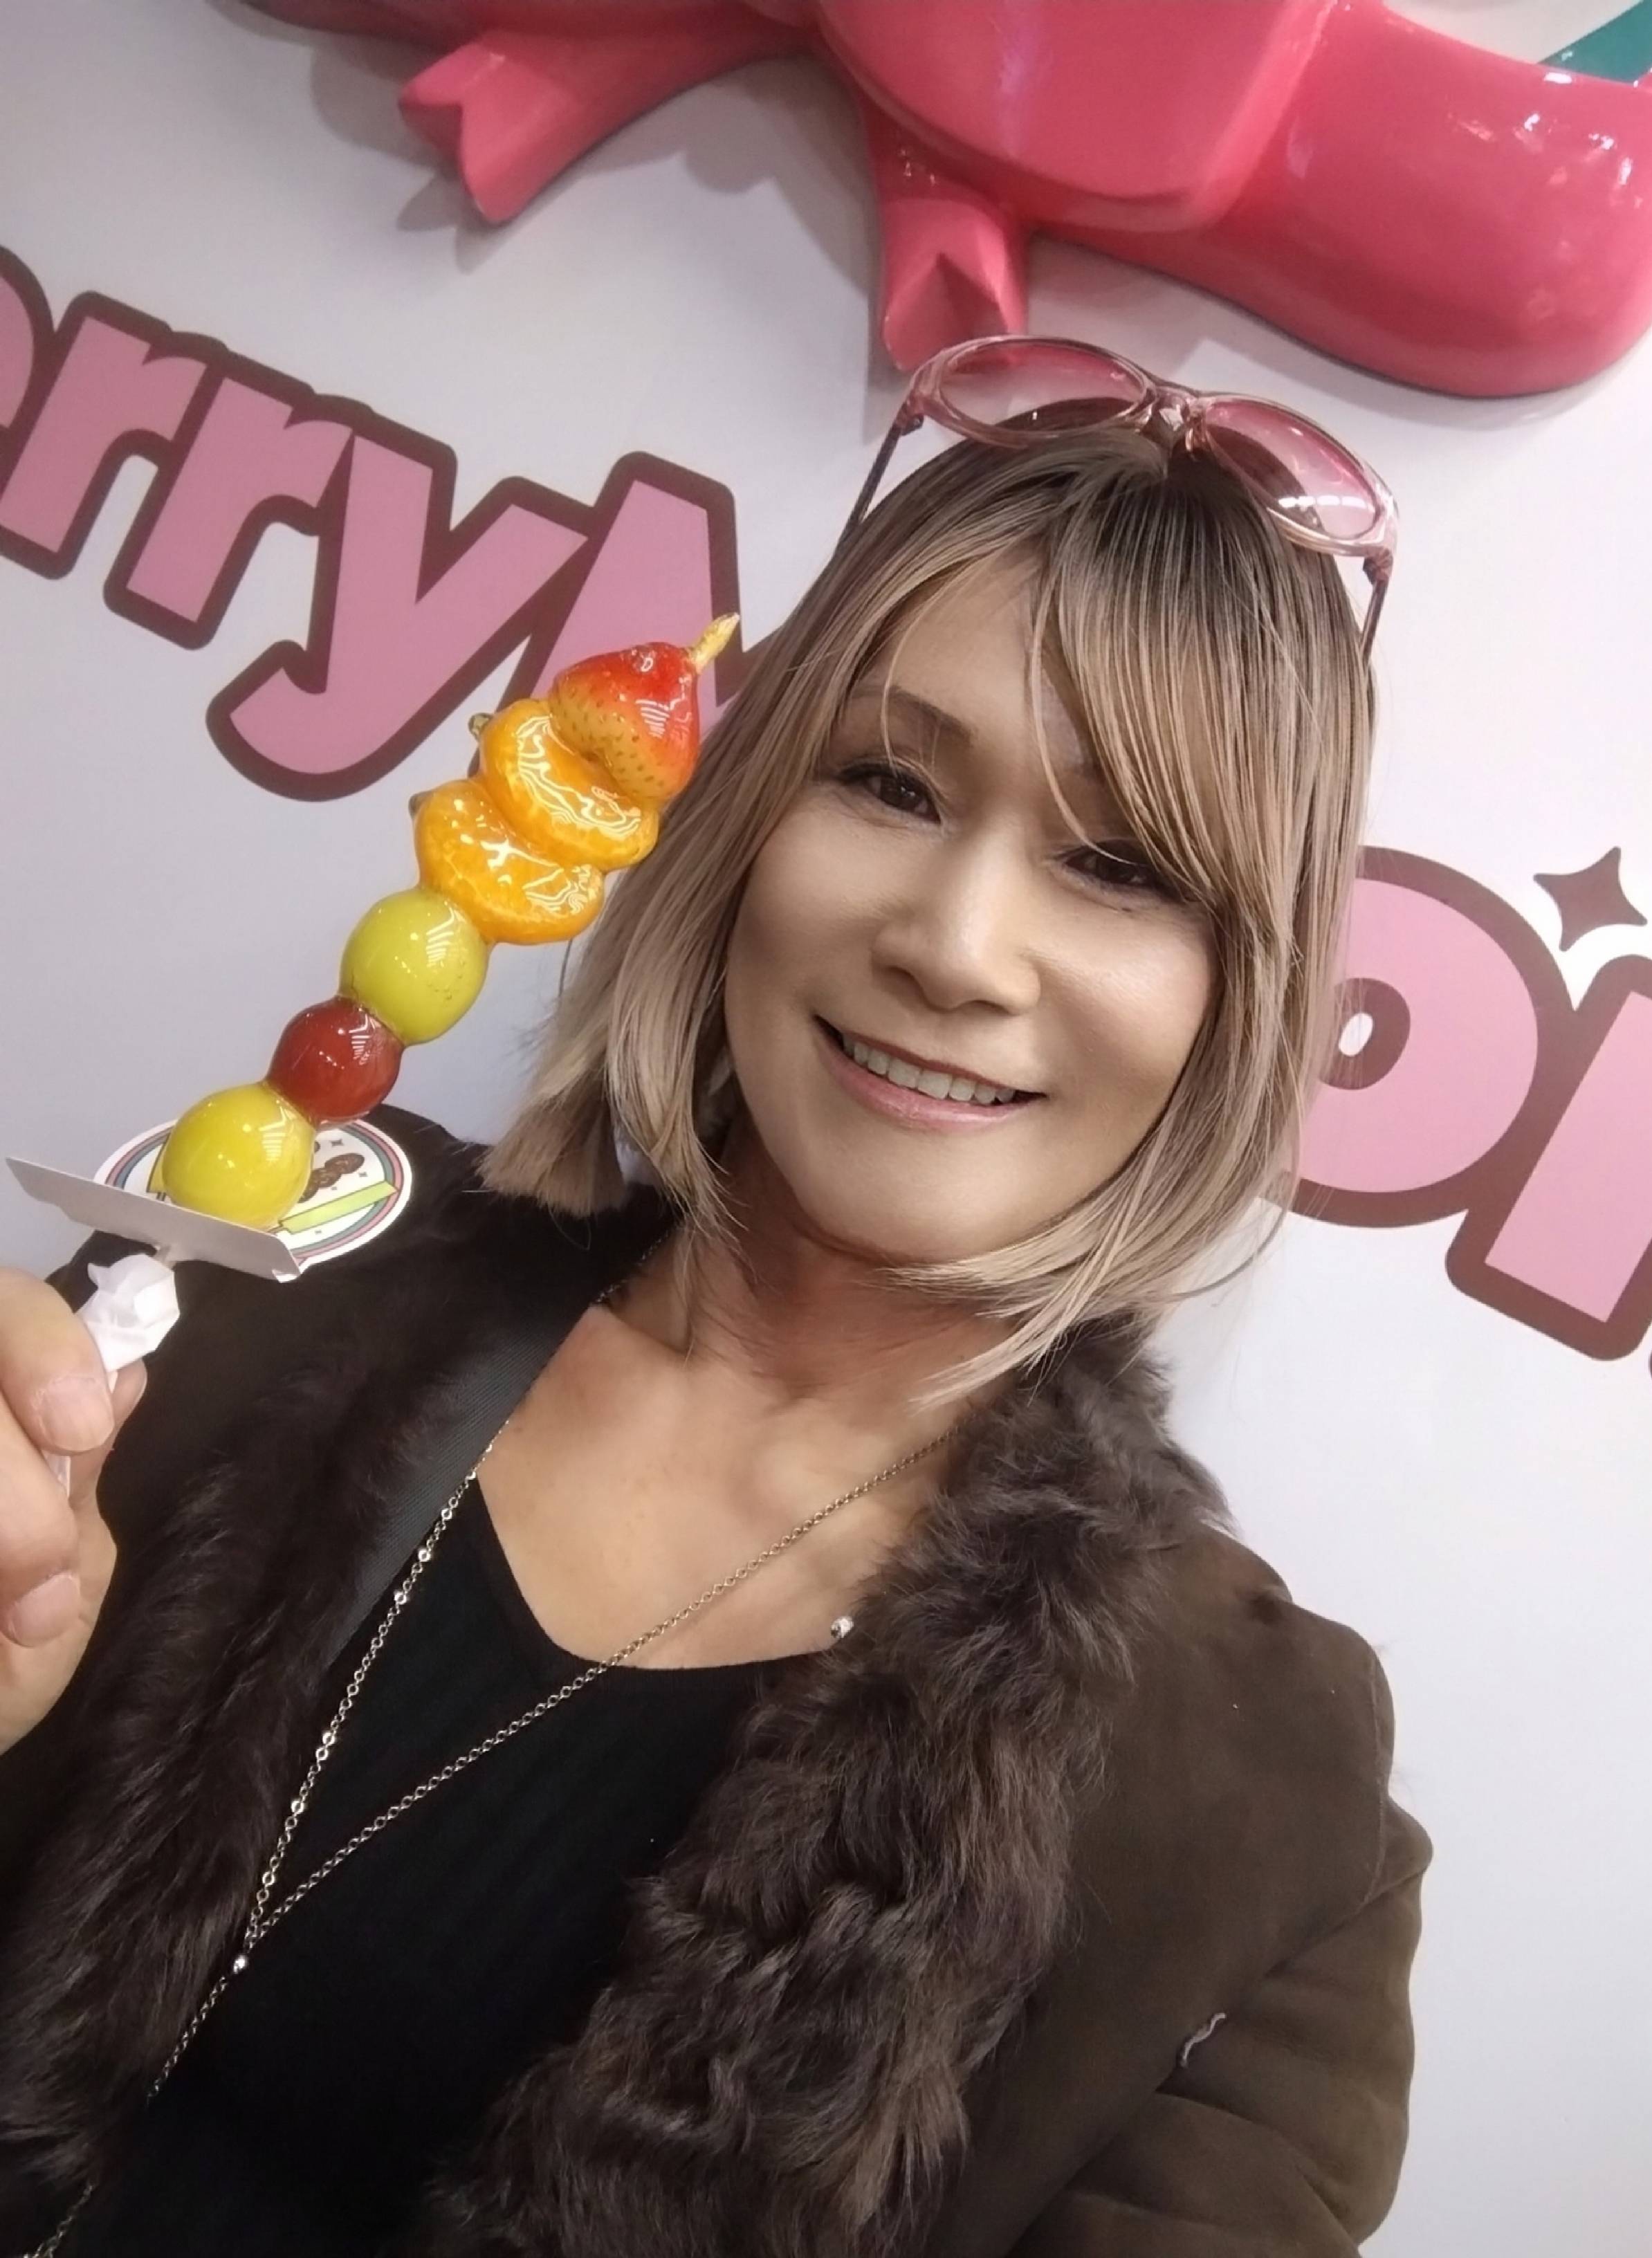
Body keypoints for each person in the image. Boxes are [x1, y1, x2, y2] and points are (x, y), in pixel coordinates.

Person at [0, 339, 1431, 2258]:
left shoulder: (1264, 1810)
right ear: (745, 818)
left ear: (1234, 998)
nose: (955, 944)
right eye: (889, 782)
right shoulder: (257, 1267)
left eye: (1120, 866)